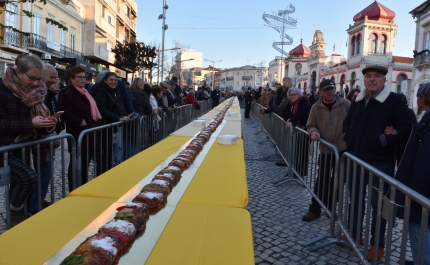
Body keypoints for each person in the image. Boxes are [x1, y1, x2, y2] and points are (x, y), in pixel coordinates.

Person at [343, 65, 412, 262]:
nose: (372, 79)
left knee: (378, 206)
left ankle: (378, 244)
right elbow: (347, 123)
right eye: (369, 76)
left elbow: (405, 127)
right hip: (356, 159)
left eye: (377, 76)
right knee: (355, 200)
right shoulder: (357, 100)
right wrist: (347, 136)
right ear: (364, 80)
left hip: (380, 163)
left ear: (384, 79)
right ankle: (354, 234)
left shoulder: (394, 101)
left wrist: (385, 139)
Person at [0, 54, 57, 226]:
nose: (36, 83)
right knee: (28, 178)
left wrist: (48, 123)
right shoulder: (3, 89)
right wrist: (30, 123)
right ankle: (14, 210)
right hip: (4, 147)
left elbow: (38, 120)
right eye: (32, 78)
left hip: (21, 146)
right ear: (18, 72)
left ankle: (16, 218)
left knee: (18, 183)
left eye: (40, 79)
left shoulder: (37, 92)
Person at [302, 79, 350, 221]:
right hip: (326, 151)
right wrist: (313, 132)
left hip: (343, 151)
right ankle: (315, 208)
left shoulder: (346, 104)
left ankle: (330, 205)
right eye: (326, 90)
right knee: (321, 180)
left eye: (332, 89)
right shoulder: (316, 108)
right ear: (320, 92)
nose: (330, 92)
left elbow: (356, 122)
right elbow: (310, 125)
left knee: (340, 181)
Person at [395, 83, 430, 265]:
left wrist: (412, 191)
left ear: (423, 98)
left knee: (419, 228)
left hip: (421, 190)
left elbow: (423, 161)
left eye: (418, 95)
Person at [27, 63, 64, 215]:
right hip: (36, 139)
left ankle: (38, 201)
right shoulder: (38, 93)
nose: (55, 80)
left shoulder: (47, 92)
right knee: (38, 174)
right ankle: (32, 207)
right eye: (52, 77)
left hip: (45, 137)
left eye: (56, 77)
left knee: (45, 173)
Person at [61, 66, 103, 191]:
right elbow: (66, 113)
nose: (83, 79)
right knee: (77, 164)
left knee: (86, 163)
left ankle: (84, 186)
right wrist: (81, 122)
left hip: (90, 135)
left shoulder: (85, 91)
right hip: (79, 135)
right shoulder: (69, 94)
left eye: (84, 77)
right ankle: (75, 189)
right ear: (71, 79)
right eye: (79, 77)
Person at [94, 72, 130, 169]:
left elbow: (118, 106)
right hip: (105, 127)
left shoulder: (115, 91)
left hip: (112, 126)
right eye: (111, 80)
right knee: (105, 154)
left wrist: (125, 114)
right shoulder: (101, 91)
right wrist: (118, 118)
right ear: (105, 81)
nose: (114, 82)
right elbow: (102, 109)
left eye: (115, 80)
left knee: (110, 153)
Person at [283, 87, 311, 175]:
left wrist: (290, 120)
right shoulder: (290, 104)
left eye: (294, 94)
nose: (292, 96)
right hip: (297, 130)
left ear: (298, 94)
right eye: (290, 95)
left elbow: (300, 113)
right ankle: (295, 170)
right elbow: (284, 114)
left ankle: (301, 172)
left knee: (303, 152)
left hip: (304, 129)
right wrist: (288, 119)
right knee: (296, 151)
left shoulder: (303, 100)